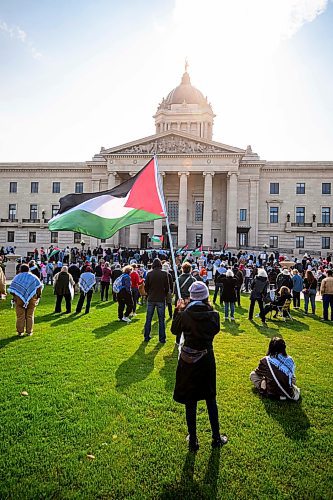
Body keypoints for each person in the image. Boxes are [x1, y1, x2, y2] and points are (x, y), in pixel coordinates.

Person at [171, 281, 228, 452]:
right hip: (206, 359)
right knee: (211, 399)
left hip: (188, 360)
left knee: (191, 400)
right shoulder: (214, 315)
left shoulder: (184, 315)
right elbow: (213, 331)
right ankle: (216, 437)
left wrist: (178, 310)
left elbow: (175, 331)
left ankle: (193, 439)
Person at [250, 337, 300, 401]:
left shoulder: (266, 360)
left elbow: (257, 373)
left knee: (253, 375)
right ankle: (283, 394)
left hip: (272, 391)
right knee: (293, 377)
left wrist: (264, 378)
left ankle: (264, 388)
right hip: (287, 388)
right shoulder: (289, 359)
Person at [8, 264, 43, 336]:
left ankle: (20, 332)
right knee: (30, 315)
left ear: (20, 269)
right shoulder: (33, 277)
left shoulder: (17, 277)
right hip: (31, 298)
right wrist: (38, 296)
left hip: (19, 299)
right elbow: (39, 287)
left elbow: (12, 289)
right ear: (28, 269)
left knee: (20, 315)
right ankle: (29, 332)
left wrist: (15, 296)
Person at [143, 258, 169, 343]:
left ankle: (146, 336)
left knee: (149, 318)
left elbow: (146, 287)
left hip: (151, 298)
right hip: (160, 298)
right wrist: (164, 295)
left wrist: (149, 293)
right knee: (161, 319)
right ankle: (162, 338)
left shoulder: (149, 274)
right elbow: (167, 287)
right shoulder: (164, 274)